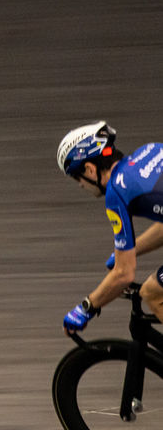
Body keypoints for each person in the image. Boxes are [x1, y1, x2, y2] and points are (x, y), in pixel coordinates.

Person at [58, 121, 163, 334]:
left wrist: (87, 307)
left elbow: (124, 275)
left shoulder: (117, 192)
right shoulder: (149, 150)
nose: (80, 185)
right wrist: (130, 250)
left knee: (153, 292)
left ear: (89, 169)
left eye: (76, 178)